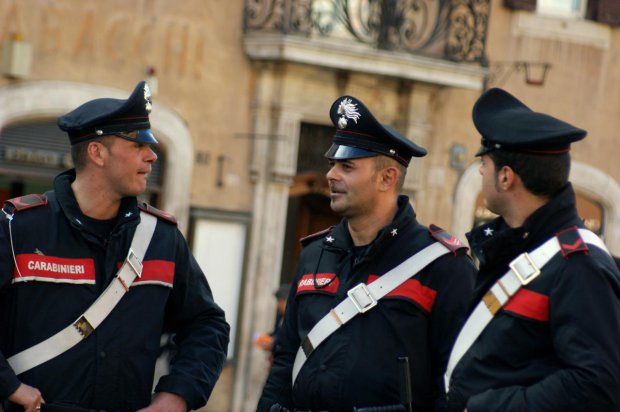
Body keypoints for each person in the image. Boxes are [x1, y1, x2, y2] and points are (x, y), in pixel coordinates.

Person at [0, 81, 230, 412]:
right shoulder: (18, 227)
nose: (152, 156)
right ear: (97, 153)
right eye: (138, 145)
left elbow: (208, 325)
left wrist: (177, 396)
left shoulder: (160, 238)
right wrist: (9, 386)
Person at [257, 95, 476, 412]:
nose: (332, 175)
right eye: (333, 164)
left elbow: (457, 383)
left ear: (388, 178)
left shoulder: (443, 265)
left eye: (347, 166)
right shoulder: (315, 253)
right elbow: (285, 360)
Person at [444, 88, 620, 411]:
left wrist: (489, 407)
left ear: (507, 177)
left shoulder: (580, 266)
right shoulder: (512, 245)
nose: (481, 172)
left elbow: (597, 384)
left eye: (484, 162)